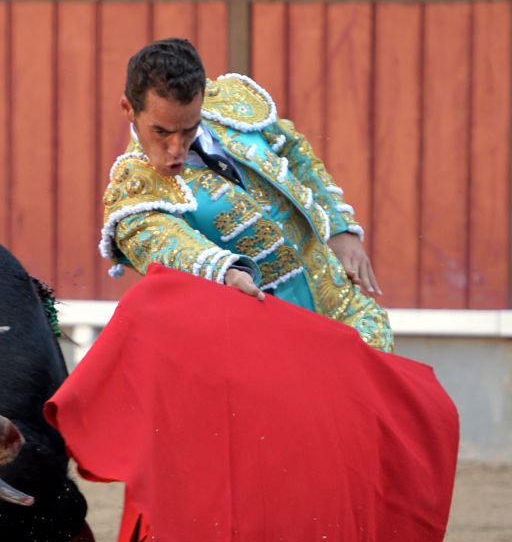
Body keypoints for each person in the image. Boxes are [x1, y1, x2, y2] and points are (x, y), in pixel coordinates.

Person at [100, 37, 392, 352]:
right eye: (161, 132)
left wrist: (340, 228)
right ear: (129, 109)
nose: (176, 148)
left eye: (189, 129)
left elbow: (292, 150)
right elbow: (168, 245)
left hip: (346, 310)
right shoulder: (134, 190)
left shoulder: (231, 111)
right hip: (267, 341)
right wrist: (224, 271)